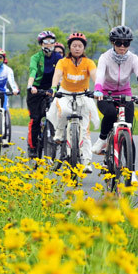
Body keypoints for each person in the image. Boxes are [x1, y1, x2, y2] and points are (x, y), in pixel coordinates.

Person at [93, 26, 138, 181]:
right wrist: (98, 90)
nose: (122, 46)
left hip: (125, 96)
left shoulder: (133, 58)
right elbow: (100, 74)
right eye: (119, 43)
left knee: (128, 132)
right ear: (113, 42)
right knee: (110, 113)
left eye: (126, 43)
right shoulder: (105, 57)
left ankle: (131, 171)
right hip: (105, 95)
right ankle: (102, 140)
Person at [47, 32, 100, 173]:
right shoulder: (63, 62)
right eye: (74, 45)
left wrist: (98, 89)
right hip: (65, 94)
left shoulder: (89, 62)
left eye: (80, 46)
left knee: (85, 130)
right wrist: (53, 88)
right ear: (69, 47)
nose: (77, 48)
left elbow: (95, 76)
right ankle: (59, 132)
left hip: (83, 95)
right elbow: (57, 75)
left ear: (84, 48)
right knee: (64, 111)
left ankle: (87, 162)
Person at [26, 31, 64, 158]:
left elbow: (62, 73)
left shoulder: (58, 57)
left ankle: (58, 140)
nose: (49, 44)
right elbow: (33, 72)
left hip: (52, 89)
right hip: (36, 90)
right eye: (46, 42)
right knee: (36, 119)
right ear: (41, 44)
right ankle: (32, 147)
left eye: (51, 41)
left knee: (58, 115)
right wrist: (31, 85)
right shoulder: (36, 57)